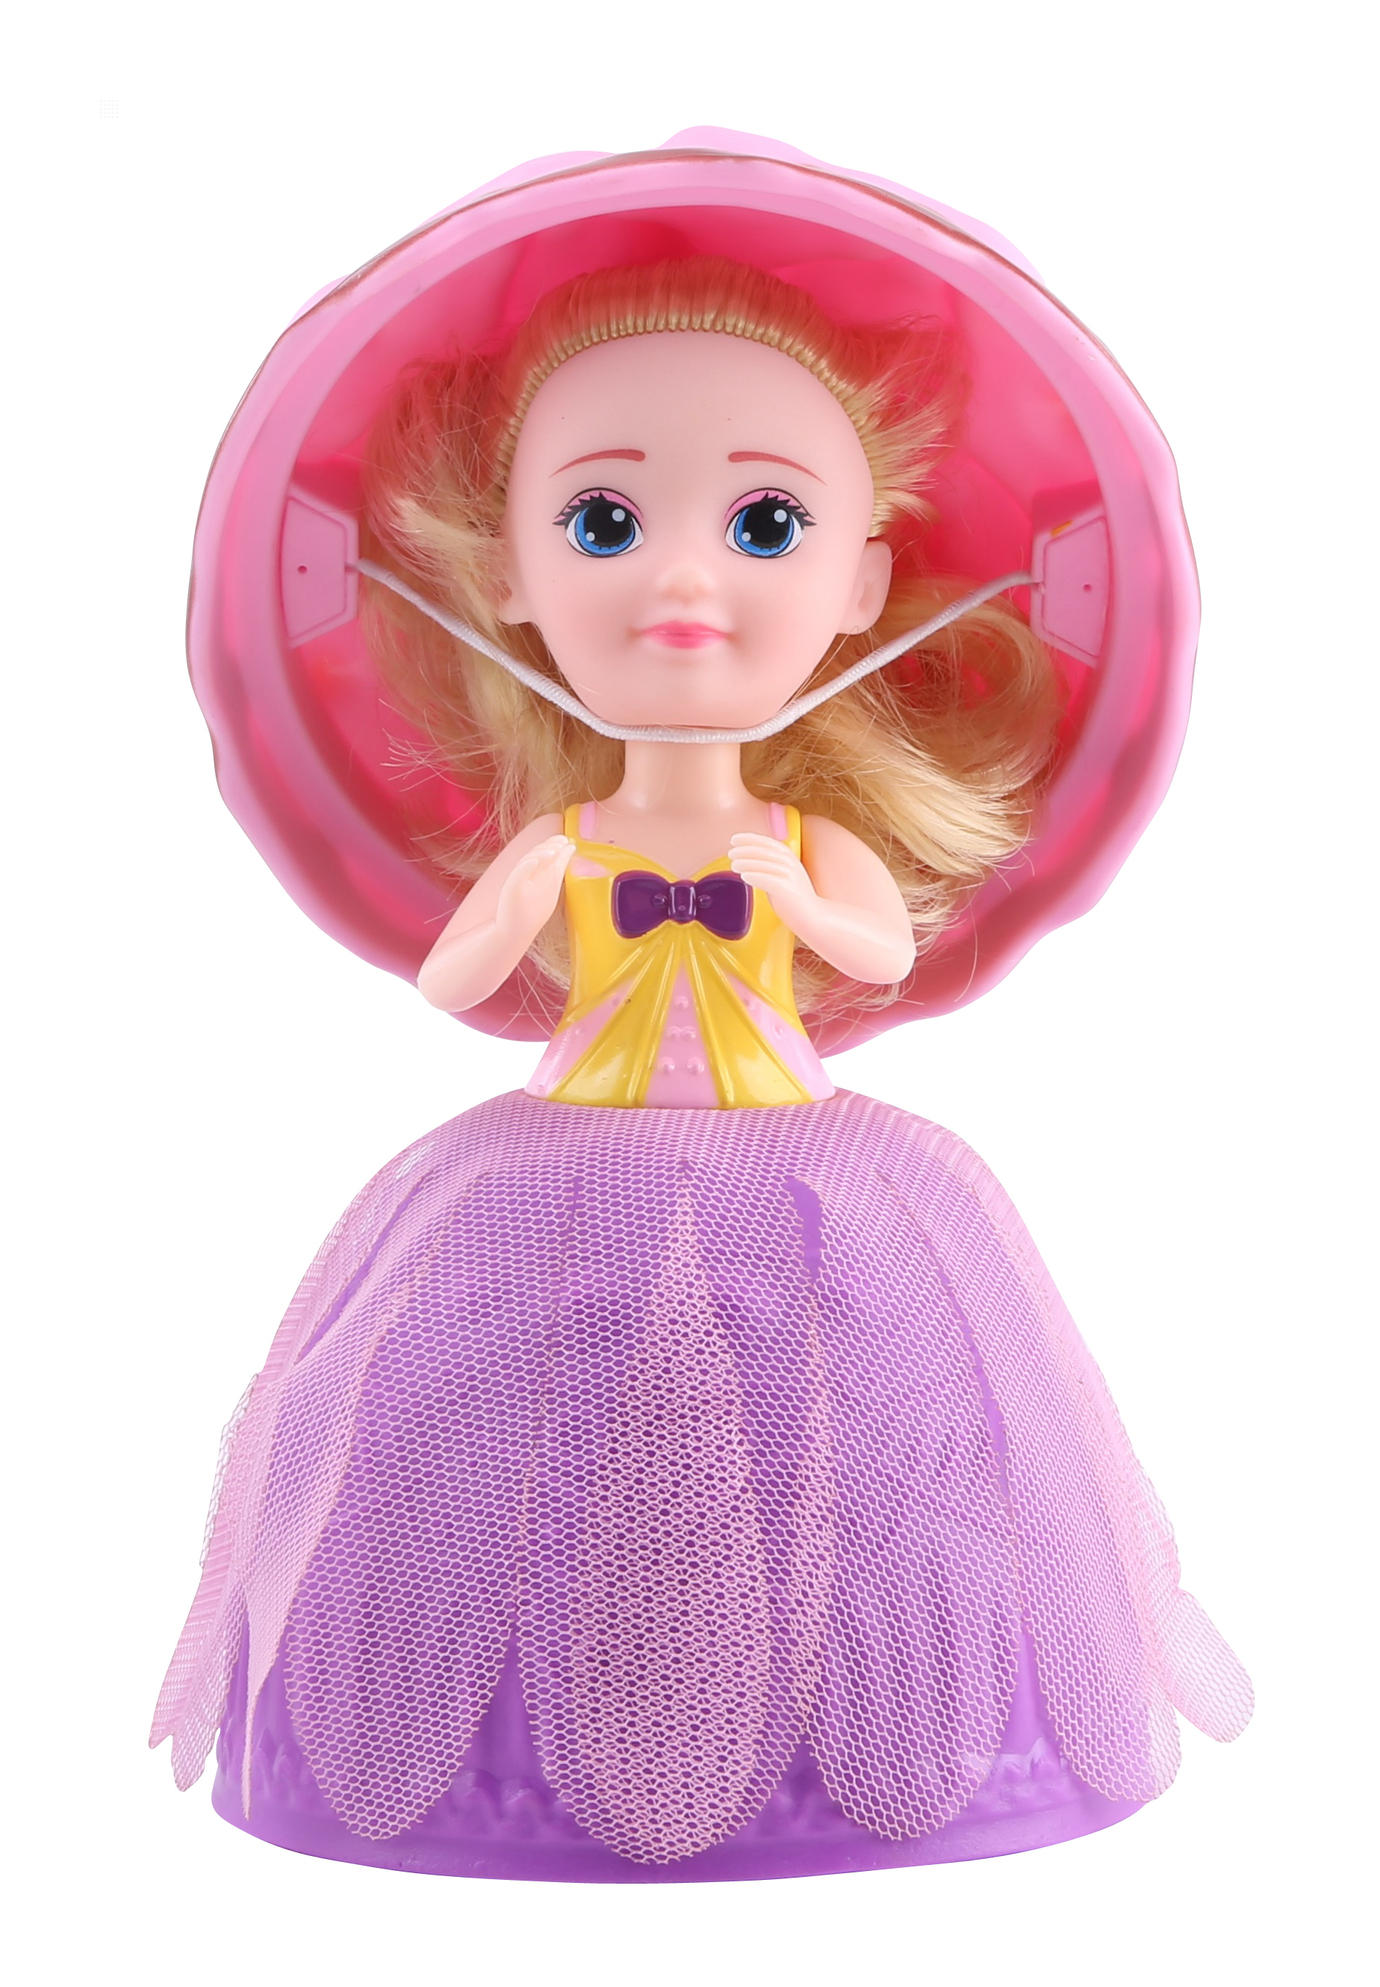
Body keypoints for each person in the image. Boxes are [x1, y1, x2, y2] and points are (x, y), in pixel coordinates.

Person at [151, 139, 1252, 1883]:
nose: (683, 582)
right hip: (553, 1154)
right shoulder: (564, 845)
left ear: (863, 585)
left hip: (807, 1155)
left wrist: (800, 905)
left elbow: (871, 949)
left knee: (852, 1431)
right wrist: (512, 908)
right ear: (505, 576)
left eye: (764, 527)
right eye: (604, 522)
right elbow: (457, 976)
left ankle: (886, 1727)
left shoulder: (804, 843)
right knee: (511, 1444)